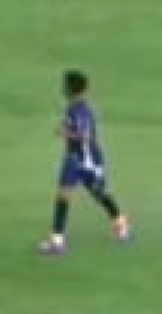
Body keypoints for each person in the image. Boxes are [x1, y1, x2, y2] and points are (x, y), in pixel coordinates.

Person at [39, 70, 132, 255]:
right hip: (74, 159)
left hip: (87, 161)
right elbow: (75, 127)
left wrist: (65, 133)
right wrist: (65, 128)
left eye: (65, 85)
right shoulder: (75, 108)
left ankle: (120, 222)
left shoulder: (79, 109)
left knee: (99, 194)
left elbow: (85, 135)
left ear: (71, 88)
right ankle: (57, 241)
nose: (62, 88)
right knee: (63, 196)